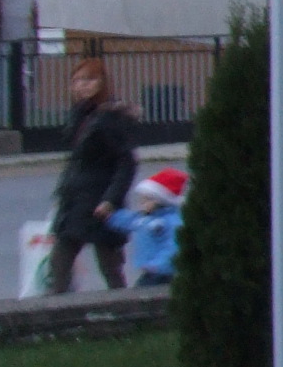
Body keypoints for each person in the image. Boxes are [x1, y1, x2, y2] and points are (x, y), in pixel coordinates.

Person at [47, 60, 137, 294]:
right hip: (76, 202)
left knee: (110, 268)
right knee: (59, 265)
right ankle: (57, 312)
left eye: (89, 79)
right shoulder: (82, 114)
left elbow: (126, 163)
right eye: (77, 80)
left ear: (101, 83)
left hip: (99, 204)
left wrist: (110, 200)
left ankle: (124, 310)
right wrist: (63, 194)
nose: (83, 85)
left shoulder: (109, 119)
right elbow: (76, 157)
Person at [108, 167, 187, 286]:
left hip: (161, 272)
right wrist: (111, 217)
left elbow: (173, 247)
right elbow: (129, 220)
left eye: (146, 200)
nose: (142, 203)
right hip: (150, 269)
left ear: (160, 201)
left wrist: (158, 266)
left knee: (143, 294)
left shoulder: (170, 222)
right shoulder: (145, 218)